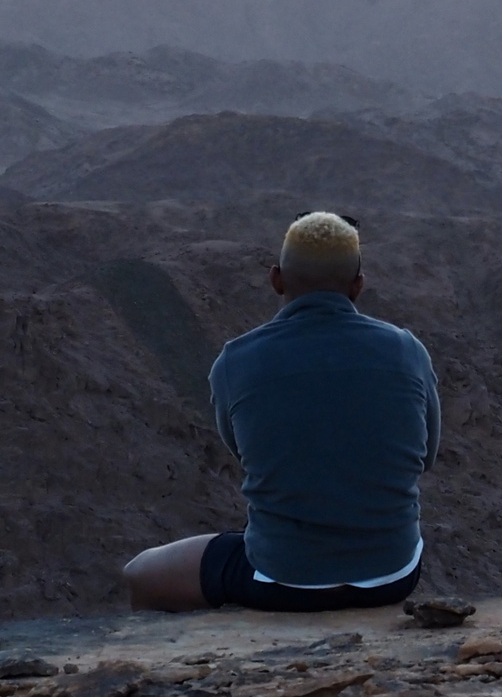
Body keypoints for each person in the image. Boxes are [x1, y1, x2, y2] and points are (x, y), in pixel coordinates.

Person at [122, 211, 441, 611]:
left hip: (284, 576)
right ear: (358, 286)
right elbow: (425, 458)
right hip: (393, 575)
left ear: (276, 279)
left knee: (140, 572)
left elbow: (245, 454)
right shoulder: (407, 351)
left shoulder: (235, 361)